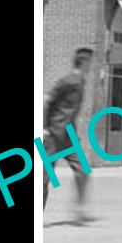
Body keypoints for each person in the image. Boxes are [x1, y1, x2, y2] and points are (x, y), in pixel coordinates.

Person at [43, 46, 95, 223]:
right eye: (90, 62)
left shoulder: (80, 81)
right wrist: (44, 127)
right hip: (54, 135)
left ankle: (78, 210)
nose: (91, 66)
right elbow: (46, 100)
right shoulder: (68, 81)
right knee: (43, 178)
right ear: (84, 62)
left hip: (70, 137)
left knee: (83, 170)